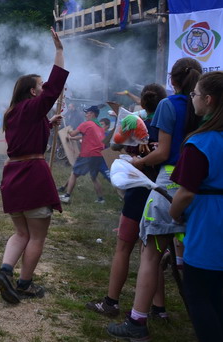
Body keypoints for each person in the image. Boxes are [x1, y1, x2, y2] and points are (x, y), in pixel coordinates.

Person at [106, 57, 202, 340]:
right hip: (196, 184)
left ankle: (137, 321)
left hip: (168, 183)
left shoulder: (168, 105)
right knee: (191, 252)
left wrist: (135, 163)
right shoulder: (204, 109)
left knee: (151, 254)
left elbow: (162, 153)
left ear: (172, 80)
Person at [0, 28, 67, 304]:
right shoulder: (33, 106)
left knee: (20, 232)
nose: (44, 87)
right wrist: (59, 52)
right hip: (32, 177)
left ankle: (5, 271)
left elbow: (25, 137)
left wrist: (47, 123)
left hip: (13, 176)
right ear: (33, 92)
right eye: (40, 85)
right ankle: (24, 283)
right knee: (36, 236)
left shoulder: (13, 113)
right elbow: (54, 88)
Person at [85, 84, 167, 318]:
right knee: (152, 254)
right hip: (160, 196)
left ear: (143, 103)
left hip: (137, 194)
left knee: (123, 248)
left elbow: (113, 145)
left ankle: (111, 303)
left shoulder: (136, 123)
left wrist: (127, 121)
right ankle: (159, 309)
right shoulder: (168, 128)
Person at [169, 71, 223, 341]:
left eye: (195, 94)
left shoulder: (199, 143)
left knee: (200, 296)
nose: (193, 99)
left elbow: (186, 193)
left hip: (209, 227)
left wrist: (172, 213)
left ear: (209, 100)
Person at [60, 105, 109, 204]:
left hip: (88, 154)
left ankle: (67, 196)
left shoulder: (87, 124)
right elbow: (86, 136)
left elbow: (72, 134)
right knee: (94, 176)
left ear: (92, 114)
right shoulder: (99, 126)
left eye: (87, 113)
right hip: (98, 154)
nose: (86, 115)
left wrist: (68, 130)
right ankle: (101, 199)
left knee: (74, 173)